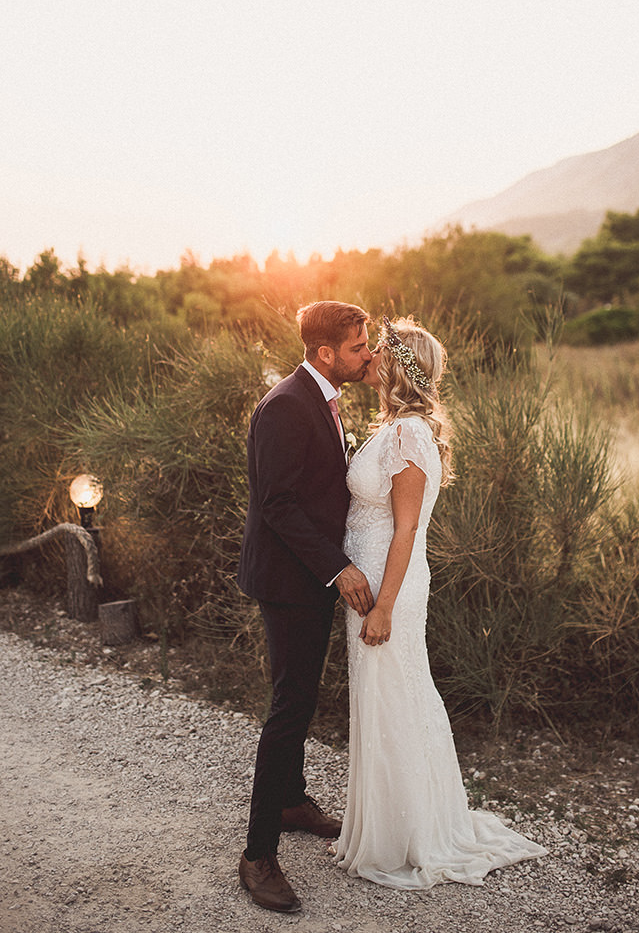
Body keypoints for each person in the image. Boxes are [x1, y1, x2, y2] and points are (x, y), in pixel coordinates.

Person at [335, 316, 547, 888]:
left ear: (399, 366)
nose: (367, 359)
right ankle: (393, 821)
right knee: (384, 694)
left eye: (375, 352)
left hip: (388, 586)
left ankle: (410, 832)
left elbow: (405, 530)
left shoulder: (409, 435)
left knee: (396, 693)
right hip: (371, 579)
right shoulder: (393, 427)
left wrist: (382, 606)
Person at [237, 301, 375, 913]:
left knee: (302, 696)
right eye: (357, 346)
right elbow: (278, 503)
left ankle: (291, 801)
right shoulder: (287, 405)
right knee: (289, 707)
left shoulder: (320, 396)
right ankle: (257, 854)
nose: (367, 353)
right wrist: (338, 568)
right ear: (325, 353)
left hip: (309, 579)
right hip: (291, 581)